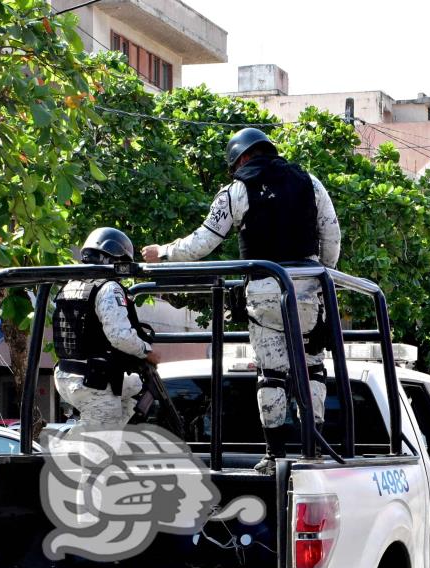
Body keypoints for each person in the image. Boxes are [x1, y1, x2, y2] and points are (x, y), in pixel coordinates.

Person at [141, 127, 340, 472]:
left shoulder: (236, 190)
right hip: (308, 291)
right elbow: (332, 236)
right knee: (312, 367)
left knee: (272, 374)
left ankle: (275, 455)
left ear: (240, 158)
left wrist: (163, 252)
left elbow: (202, 242)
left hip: (264, 292)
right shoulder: (311, 182)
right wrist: (320, 276)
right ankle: (313, 446)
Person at [53, 227, 158, 428]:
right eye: (122, 264)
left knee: (137, 385)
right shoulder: (108, 287)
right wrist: (147, 351)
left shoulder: (70, 284)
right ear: (112, 259)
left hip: (66, 376)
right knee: (100, 456)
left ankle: (101, 430)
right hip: (93, 382)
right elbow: (120, 337)